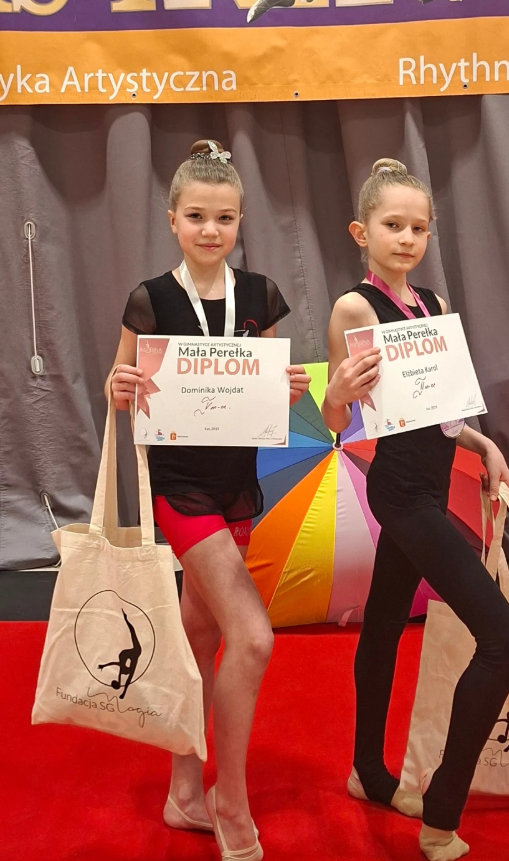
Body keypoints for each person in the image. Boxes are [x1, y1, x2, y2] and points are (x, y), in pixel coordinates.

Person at [107, 139, 311, 861]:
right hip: (179, 487)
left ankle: (182, 791)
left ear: (240, 221)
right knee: (252, 637)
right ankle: (232, 800)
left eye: (224, 217)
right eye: (196, 216)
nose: (210, 229)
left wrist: (288, 389)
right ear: (172, 219)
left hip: (236, 488)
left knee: (201, 634)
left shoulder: (259, 296)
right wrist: (120, 386)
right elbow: (118, 390)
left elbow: (270, 400)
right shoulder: (150, 298)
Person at [321, 159, 509, 861]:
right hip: (401, 493)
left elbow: (439, 411)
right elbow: (336, 419)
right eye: (392, 225)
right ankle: (440, 816)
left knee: (383, 627)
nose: (406, 238)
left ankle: (367, 771)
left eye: (418, 228)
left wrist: (482, 441)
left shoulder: (433, 304)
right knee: (504, 643)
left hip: (430, 485)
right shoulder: (354, 308)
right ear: (362, 232)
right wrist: (336, 393)